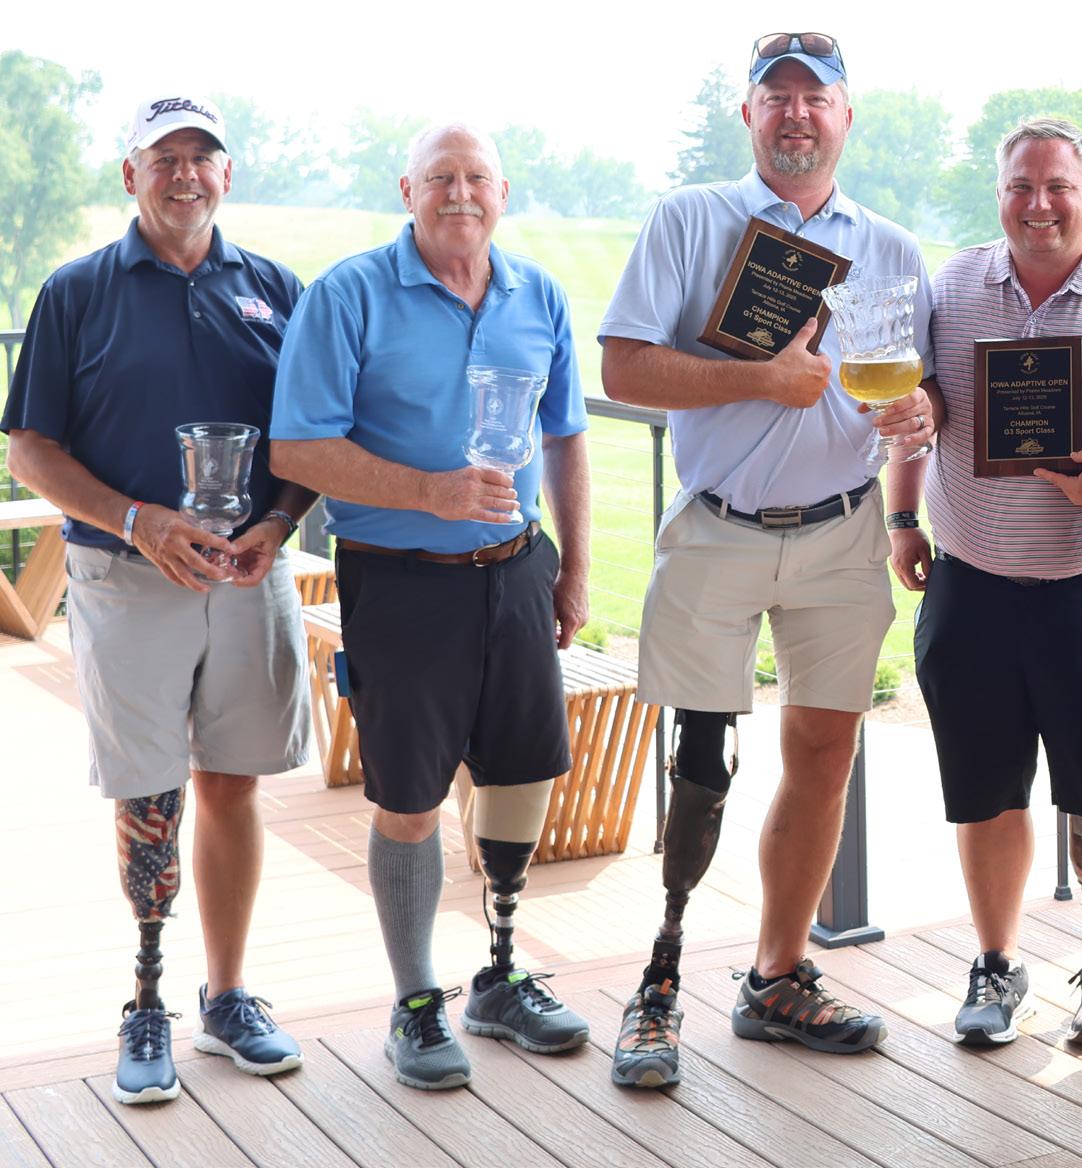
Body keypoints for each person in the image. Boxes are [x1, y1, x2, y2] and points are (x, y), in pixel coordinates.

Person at [597, 31, 933, 1089]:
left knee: (826, 751)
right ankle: (658, 985)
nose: (796, 113)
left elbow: (913, 391)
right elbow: (623, 368)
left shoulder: (892, 248)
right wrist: (757, 381)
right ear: (746, 115)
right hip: (719, 526)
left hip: (842, 530)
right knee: (700, 764)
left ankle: (776, 977)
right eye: (775, 96)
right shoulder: (690, 219)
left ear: (845, 117)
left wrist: (919, 416)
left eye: (815, 98)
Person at [2, 94, 315, 1105]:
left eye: (201, 156)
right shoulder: (77, 290)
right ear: (129, 173)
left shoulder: (276, 289)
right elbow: (29, 447)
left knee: (232, 782)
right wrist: (138, 521)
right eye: (163, 156)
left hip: (248, 576)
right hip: (126, 576)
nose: (185, 173)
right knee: (149, 794)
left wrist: (281, 522)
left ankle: (226, 996)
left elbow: (313, 439)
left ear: (228, 173)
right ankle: (146, 1001)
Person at [270, 123, 593, 1091]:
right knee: (408, 798)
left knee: (523, 771)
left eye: (476, 178)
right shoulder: (348, 295)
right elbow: (297, 448)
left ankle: (498, 976)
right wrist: (432, 492)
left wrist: (573, 567)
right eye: (439, 178)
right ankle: (415, 1001)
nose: (460, 194)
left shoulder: (538, 296)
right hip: (400, 577)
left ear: (503, 193)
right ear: (406, 190)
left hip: (517, 569)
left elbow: (566, 436)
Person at [884, 116, 1082, 1048]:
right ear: (999, 193)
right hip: (971, 581)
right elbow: (917, 406)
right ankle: (997, 963)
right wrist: (901, 516)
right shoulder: (951, 285)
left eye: (1057, 187)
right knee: (985, 787)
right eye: (1020, 186)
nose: (1038, 205)